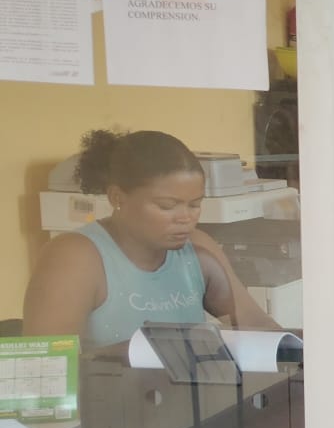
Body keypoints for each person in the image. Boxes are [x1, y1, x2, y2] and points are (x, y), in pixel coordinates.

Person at [24, 129, 276, 349]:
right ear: (117, 198)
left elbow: (255, 324)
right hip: (107, 391)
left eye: (195, 205)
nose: (185, 218)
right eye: (167, 206)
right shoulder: (75, 257)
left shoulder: (198, 249)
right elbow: (48, 363)